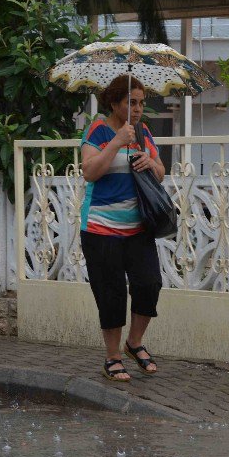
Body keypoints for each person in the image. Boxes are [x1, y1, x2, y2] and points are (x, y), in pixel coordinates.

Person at [80, 75, 166, 382]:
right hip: (101, 229)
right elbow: (89, 172)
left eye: (142, 102)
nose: (138, 108)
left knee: (149, 284)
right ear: (115, 103)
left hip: (138, 227)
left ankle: (135, 342)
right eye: (131, 102)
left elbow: (160, 172)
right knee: (111, 293)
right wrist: (116, 142)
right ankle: (113, 357)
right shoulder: (98, 131)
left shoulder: (143, 132)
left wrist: (149, 161)